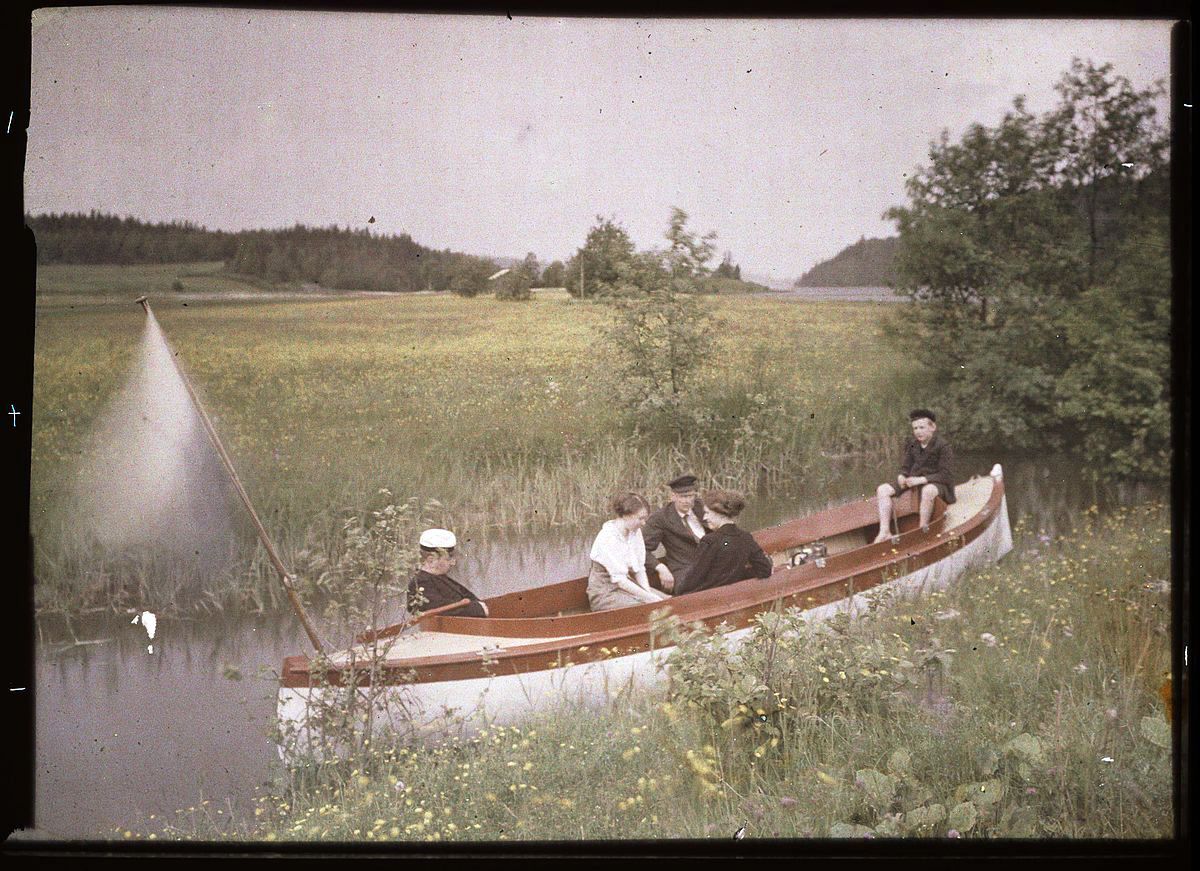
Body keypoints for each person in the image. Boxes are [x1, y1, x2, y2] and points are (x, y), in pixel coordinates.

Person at [873, 408, 956, 543]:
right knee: (882, 490)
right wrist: (902, 476)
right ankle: (884, 531)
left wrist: (922, 480)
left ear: (932, 427)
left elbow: (946, 475)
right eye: (915, 428)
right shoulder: (913, 445)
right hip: (914, 481)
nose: (918, 431)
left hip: (937, 483)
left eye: (922, 427)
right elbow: (905, 467)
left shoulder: (943, 446)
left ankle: (922, 529)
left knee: (928, 490)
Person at [673, 489, 773, 595]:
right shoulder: (746, 538)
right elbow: (765, 569)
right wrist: (738, 574)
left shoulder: (710, 540)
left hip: (708, 598)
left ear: (719, 513)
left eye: (707, 513)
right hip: (734, 596)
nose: (704, 517)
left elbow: (693, 579)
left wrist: (677, 591)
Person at [587, 492, 672, 611]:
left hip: (627, 586)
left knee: (668, 601)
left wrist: (648, 593)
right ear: (626, 515)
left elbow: (639, 569)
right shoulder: (608, 537)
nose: (644, 523)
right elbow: (620, 581)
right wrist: (650, 599)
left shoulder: (635, 532)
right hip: (605, 593)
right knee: (647, 609)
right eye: (640, 518)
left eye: (645, 518)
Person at [643, 473, 707, 593]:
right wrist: (660, 567)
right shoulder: (661, 518)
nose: (687, 501)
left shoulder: (703, 507)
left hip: (712, 563)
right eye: (682, 496)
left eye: (690, 496)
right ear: (673, 496)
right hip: (684, 569)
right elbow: (642, 548)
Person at [407, 528, 489, 617]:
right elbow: (438, 609)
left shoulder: (439, 577)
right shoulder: (421, 583)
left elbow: (466, 598)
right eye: (448, 559)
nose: (453, 563)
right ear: (431, 560)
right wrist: (477, 609)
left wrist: (478, 606)